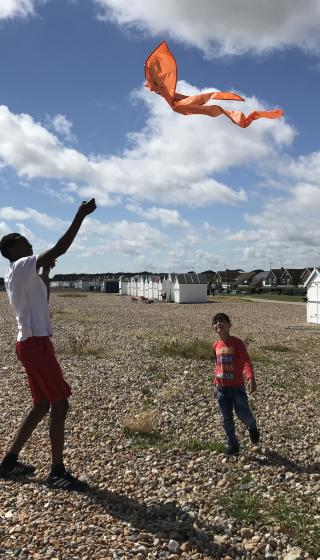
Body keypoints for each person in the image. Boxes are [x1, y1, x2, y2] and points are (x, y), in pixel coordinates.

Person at [0, 198, 96, 490]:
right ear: (12, 250)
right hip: (35, 345)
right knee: (60, 402)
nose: (31, 247)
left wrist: (45, 274)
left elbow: (43, 301)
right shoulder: (18, 266)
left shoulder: (25, 274)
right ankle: (56, 470)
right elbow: (60, 248)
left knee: (42, 404)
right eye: (26, 243)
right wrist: (80, 216)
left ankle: (9, 462)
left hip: (33, 344)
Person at [212, 312, 260, 455]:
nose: (218, 324)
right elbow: (217, 365)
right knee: (226, 418)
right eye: (215, 322)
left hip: (236, 388)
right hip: (221, 389)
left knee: (243, 414)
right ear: (213, 328)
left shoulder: (237, 343)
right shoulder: (215, 345)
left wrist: (251, 378)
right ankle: (233, 444)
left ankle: (252, 427)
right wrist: (215, 385)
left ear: (229, 325)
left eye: (222, 321)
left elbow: (246, 361)